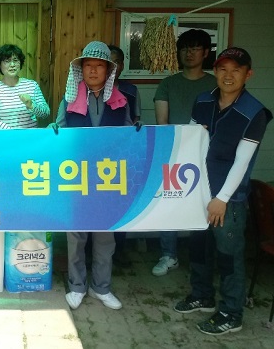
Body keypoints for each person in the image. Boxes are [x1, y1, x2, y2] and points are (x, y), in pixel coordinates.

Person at [174, 47, 271, 335]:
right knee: (199, 247)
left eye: (236, 70)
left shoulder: (254, 112)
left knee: (229, 256)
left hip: (228, 200)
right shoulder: (203, 100)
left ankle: (231, 312)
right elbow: (188, 139)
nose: (229, 76)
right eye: (223, 69)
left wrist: (222, 199)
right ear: (215, 71)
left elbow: (242, 162)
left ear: (248, 74)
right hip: (198, 191)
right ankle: (202, 295)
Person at [58, 41, 132, 311]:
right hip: (77, 179)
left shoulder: (121, 100)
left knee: (105, 237)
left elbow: (128, 136)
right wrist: (54, 131)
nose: (92, 70)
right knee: (76, 237)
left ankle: (101, 287)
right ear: (81, 69)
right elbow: (59, 131)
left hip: (108, 180)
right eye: (88, 65)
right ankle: (77, 286)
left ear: (108, 71)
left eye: (99, 66)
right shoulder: (69, 99)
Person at [152, 29, 217, 277]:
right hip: (175, 154)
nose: (189, 53)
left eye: (195, 48)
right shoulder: (168, 84)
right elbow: (163, 124)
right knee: (169, 201)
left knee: (205, 203)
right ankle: (168, 255)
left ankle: (203, 257)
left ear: (206, 52)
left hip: (208, 156)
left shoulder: (215, 84)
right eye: (185, 48)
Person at [109, 45, 141, 267]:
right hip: (96, 158)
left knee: (120, 204)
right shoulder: (86, 91)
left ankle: (119, 251)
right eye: (108, 62)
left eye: (116, 62)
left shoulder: (130, 91)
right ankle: (92, 252)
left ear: (121, 65)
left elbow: (135, 121)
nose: (112, 67)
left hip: (123, 157)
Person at [0, 44, 49, 129]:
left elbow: (46, 113)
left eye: (15, 60)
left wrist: (31, 105)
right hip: (7, 136)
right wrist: (13, 133)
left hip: (30, 136)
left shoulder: (32, 85)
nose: (12, 65)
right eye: (7, 61)